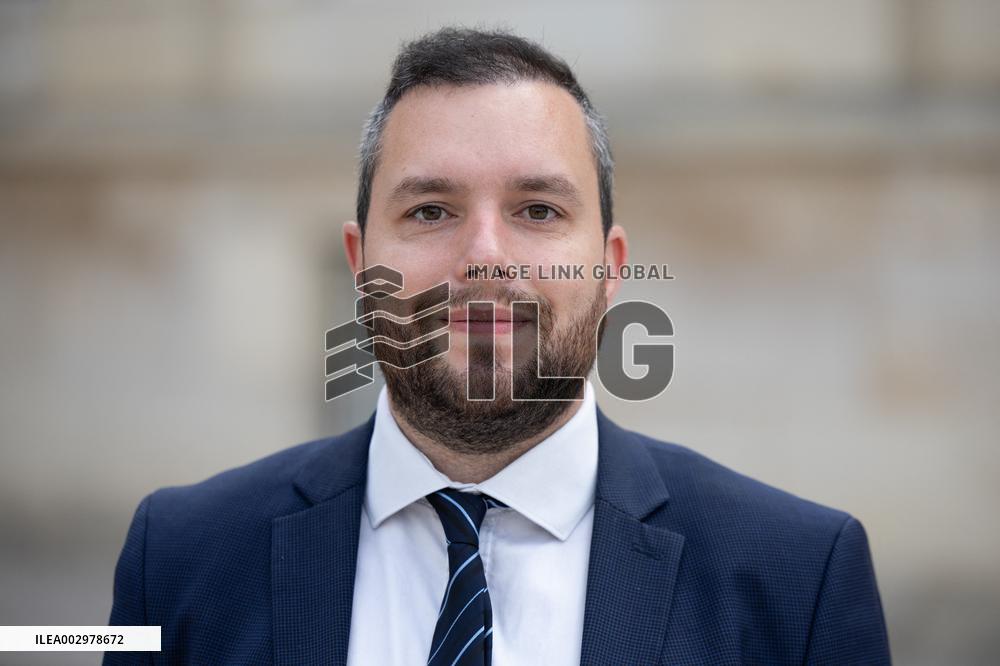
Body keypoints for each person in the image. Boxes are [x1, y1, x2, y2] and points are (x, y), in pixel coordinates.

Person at [105, 27, 891, 665]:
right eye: (430, 212)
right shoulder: (176, 560)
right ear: (359, 263)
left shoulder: (800, 581)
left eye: (539, 211)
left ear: (612, 269)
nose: (485, 257)